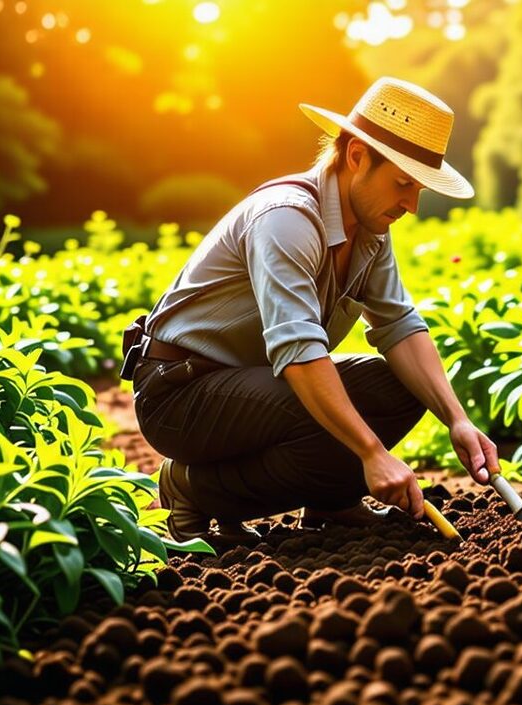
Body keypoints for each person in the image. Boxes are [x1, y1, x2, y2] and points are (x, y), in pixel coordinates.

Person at [128, 77, 499, 545]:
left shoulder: (370, 232)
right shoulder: (285, 218)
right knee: (321, 411)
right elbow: (298, 350)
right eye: (403, 183)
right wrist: (371, 453)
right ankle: (190, 487)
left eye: (419, 188)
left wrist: (456, 419)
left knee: (400, 389)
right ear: (357, 156)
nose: (411, 204)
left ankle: (332, 503)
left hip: (255, 385)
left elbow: (399, 325)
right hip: (181, 394)